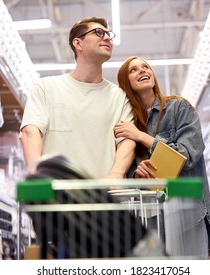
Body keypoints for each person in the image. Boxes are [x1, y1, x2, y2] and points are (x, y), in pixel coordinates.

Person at [114, 56, 210, 259]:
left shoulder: (179, 108)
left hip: (186, 213)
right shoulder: (127, 123)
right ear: (126, 83)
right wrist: (137, 175)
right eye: (133, 70)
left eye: (145, 67)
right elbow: (123, 174)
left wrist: (141, 136)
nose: (143, 70)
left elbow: (187, 155)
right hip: (149, 217)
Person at [20, 17, 135, 179]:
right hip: (55, 196)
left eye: (109, 34)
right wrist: (36, 176)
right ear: (78, 43)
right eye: (98, 33)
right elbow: (30, 133)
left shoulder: (120, 97)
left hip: (103, 197)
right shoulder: (46, 87)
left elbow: (126, 142)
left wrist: (116, 175)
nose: (108, 38)